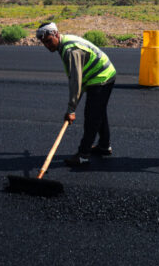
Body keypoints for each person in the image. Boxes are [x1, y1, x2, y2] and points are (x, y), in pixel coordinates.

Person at [36, 22, 116, 167]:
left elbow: (75, 81)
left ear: (56, 34)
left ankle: (83, 155)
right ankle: (104, 146)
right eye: (44, 43)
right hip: (98, 74)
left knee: (92, 116)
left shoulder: (70, 50)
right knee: (98, 112)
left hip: (101, 76)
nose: (47, 46)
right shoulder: (63, 43)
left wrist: (71, 110)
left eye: (48, 41)